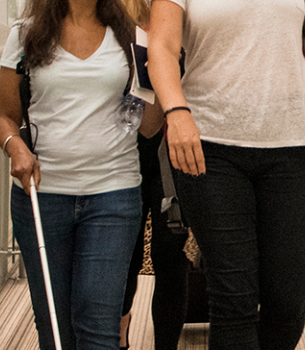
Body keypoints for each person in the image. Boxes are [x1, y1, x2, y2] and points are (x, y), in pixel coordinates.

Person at [147, 0, 305, 347]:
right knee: (233, 300)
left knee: (289, 301)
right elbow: (162, 46)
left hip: (294, 150)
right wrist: (176, 109)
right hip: (212, 148)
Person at [0, 0, 151, 346]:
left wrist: (166, 76)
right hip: (42, 198)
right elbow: (3, 116)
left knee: (98, 324)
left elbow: (149, 128)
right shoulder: (26, 35)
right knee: (54, 328)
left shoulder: (131, 36)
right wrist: (15, 147)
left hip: (114, 194)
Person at [112, 1, 193, 349]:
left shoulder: (185, 17)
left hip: (176, 147)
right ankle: (119, 336)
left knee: (170, 255)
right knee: (124, 256)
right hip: (122, 149)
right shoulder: (114, 17)